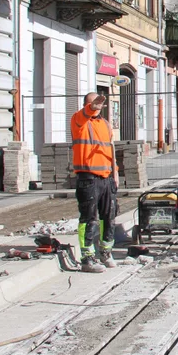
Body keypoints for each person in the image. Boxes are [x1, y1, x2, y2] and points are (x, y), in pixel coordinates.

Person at [71, 92, 119, 273]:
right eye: (93, 104)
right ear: (86, 105)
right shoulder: (79, 121)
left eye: (100, 104)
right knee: (89, 218)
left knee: (109, 217)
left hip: (106, 177)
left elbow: (110, 150)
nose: (97, 107)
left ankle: (106, 251)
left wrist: (115, 173)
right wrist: (92, 108)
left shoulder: (105, 124)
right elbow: (86, 113)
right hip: (88, 177)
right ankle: (87, 258)